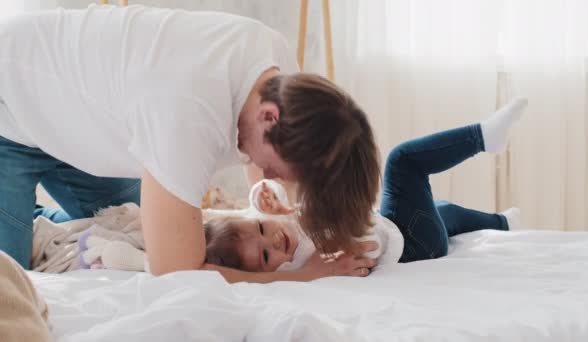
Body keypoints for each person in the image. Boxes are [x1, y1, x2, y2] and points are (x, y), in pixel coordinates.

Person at [0, 4, 379, 280]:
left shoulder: (278, 72)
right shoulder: (187, 110)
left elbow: (275, 169)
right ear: (269, 117)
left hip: (70, 120)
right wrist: (303, 278)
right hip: (9, 104)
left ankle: (33, 222)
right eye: (273, 169)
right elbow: (178, 273)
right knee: (12, 282)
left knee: (127, 225)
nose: (268, 175)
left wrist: (309, 222)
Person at [202, 98, 528, 274]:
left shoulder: (280, 226)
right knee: (402, 162)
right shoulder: (304, 262)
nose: (274, 241)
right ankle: (482, 137)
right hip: (412, 244)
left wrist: (268, 199)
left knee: (443, 212)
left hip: (407, 231)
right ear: (263, 274)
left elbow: (261, 202)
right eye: (264, 255)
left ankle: (501, 223)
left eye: (261, 229)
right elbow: (330, 228)